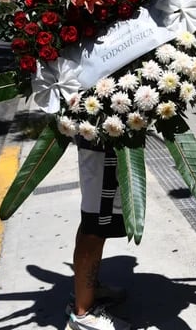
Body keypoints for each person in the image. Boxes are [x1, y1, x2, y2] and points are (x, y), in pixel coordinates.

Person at [65, 141, 131, 330]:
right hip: (99, 146)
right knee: (94, 226)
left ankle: (87, 292)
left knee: (94, 222)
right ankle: (83, 315)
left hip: (104, 146)